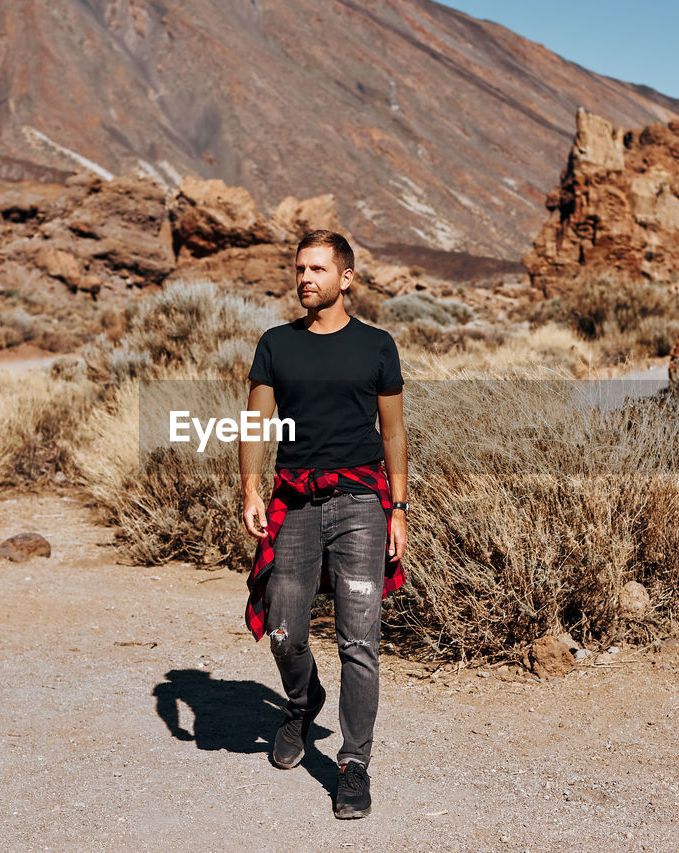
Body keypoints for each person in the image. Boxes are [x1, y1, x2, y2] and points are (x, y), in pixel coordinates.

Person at [239, 230, 408, 820]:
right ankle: (302, 700)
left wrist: (400, 511)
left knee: (358, 638)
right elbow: (256, 424)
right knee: (284, 627)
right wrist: (250, 490)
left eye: (317, 268)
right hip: (295, 503)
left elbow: (393, 433)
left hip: (363, 503)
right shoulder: (276, 344)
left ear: (346, 279)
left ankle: (353, 764)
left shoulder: (377, 346)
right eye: (299, 268)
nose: (305, 277)